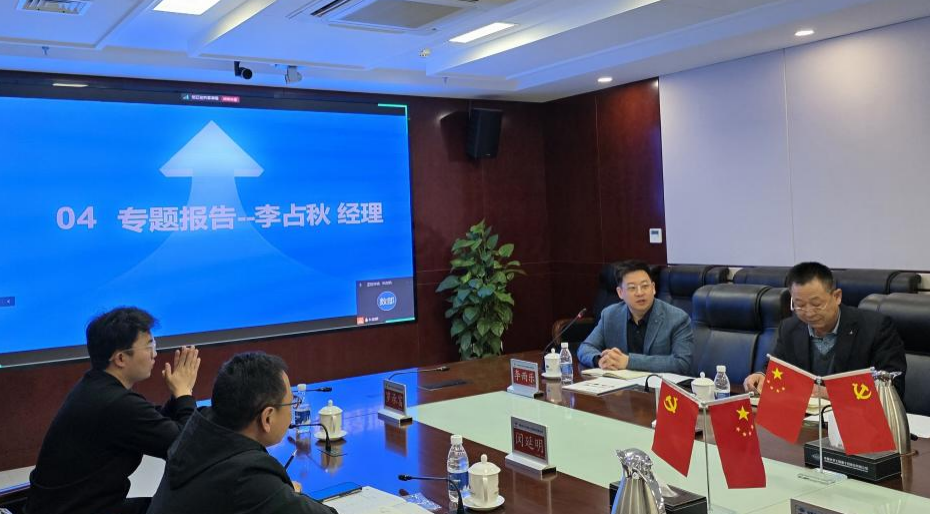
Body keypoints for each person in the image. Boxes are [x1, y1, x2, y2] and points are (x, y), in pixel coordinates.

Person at [26, 307, 200, 514]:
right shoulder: (115, 403)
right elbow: (187, 449)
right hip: (81, 509)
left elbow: (154, 423)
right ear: (120, 359)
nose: (155, 354)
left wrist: (179, 397)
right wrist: (184, 392)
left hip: (74, 506)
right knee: (195, 504)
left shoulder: (96, 386)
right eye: (149, 346)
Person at [147, 352, 336, 514]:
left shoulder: (199, 425)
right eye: (291, 402)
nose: (292, 409)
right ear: (267, 417)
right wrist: (281, 495)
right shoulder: (249, 477)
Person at [744, 262, 906, 398]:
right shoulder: (789, 328)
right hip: (808, 419)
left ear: (837, 296)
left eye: (816, 304)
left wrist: (827, 393)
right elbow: (776, 368)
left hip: (859, 418)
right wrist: (761, 376)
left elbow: (891, 388)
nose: (808, 312)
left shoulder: (876, 328)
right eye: (800, 305)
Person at [577, 260, 694, 374]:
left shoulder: (678, 318)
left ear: (653, 288)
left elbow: (682, 363)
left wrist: (629, 361)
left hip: (657, 385)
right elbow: (585, 347)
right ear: (620, 293)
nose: (640, 293)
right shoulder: (610, 315)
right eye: (632, 288)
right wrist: (600, 360)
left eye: (645, 286)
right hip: (620, 385)